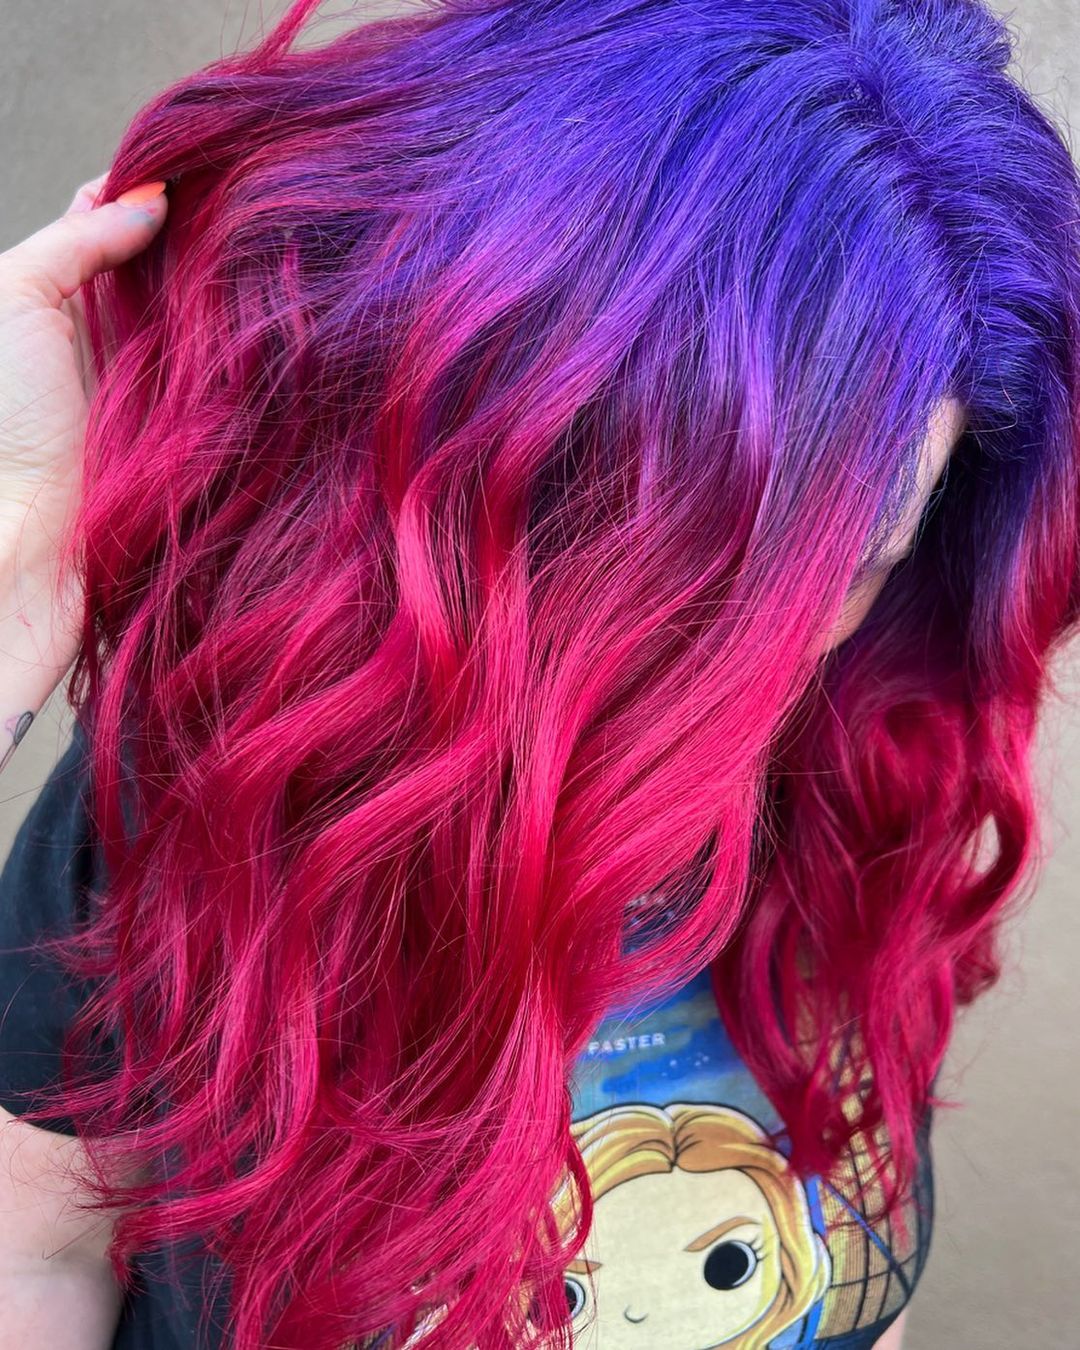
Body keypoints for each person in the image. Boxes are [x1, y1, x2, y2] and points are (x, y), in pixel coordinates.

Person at [0, 2, 1077, 1348]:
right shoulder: (208, 801)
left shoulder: (854, 805)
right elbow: (37, 1264)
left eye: (851, 562)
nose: (749, 652)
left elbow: (846, 1280)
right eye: (683, 555)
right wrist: (20, 564)